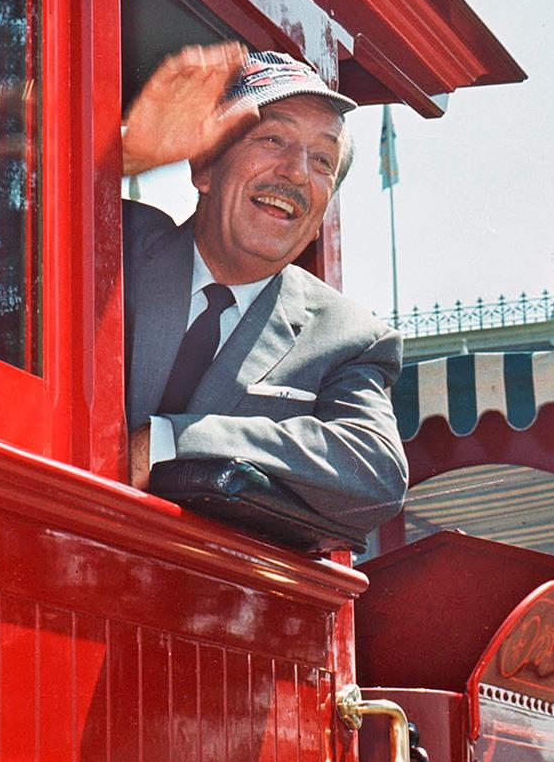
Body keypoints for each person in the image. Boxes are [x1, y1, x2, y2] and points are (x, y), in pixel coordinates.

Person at [116, 43, 407, 537]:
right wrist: (124, 157)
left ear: (319, 219)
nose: (296, 173)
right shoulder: (118, 242)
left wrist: (172, 440)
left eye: (322, 161)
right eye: (272, 139)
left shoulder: (349, 338)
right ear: (204, 168)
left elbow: (376, 471)